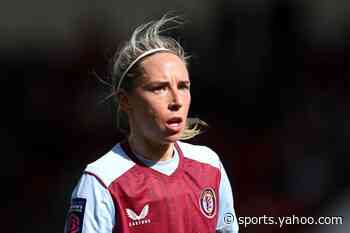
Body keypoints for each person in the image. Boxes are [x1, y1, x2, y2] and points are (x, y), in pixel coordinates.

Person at [64, 14, 239, 233]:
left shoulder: (210, 165)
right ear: (125, 100)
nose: (176, 101)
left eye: (183, 86)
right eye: (159, 88)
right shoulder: (101, 181)